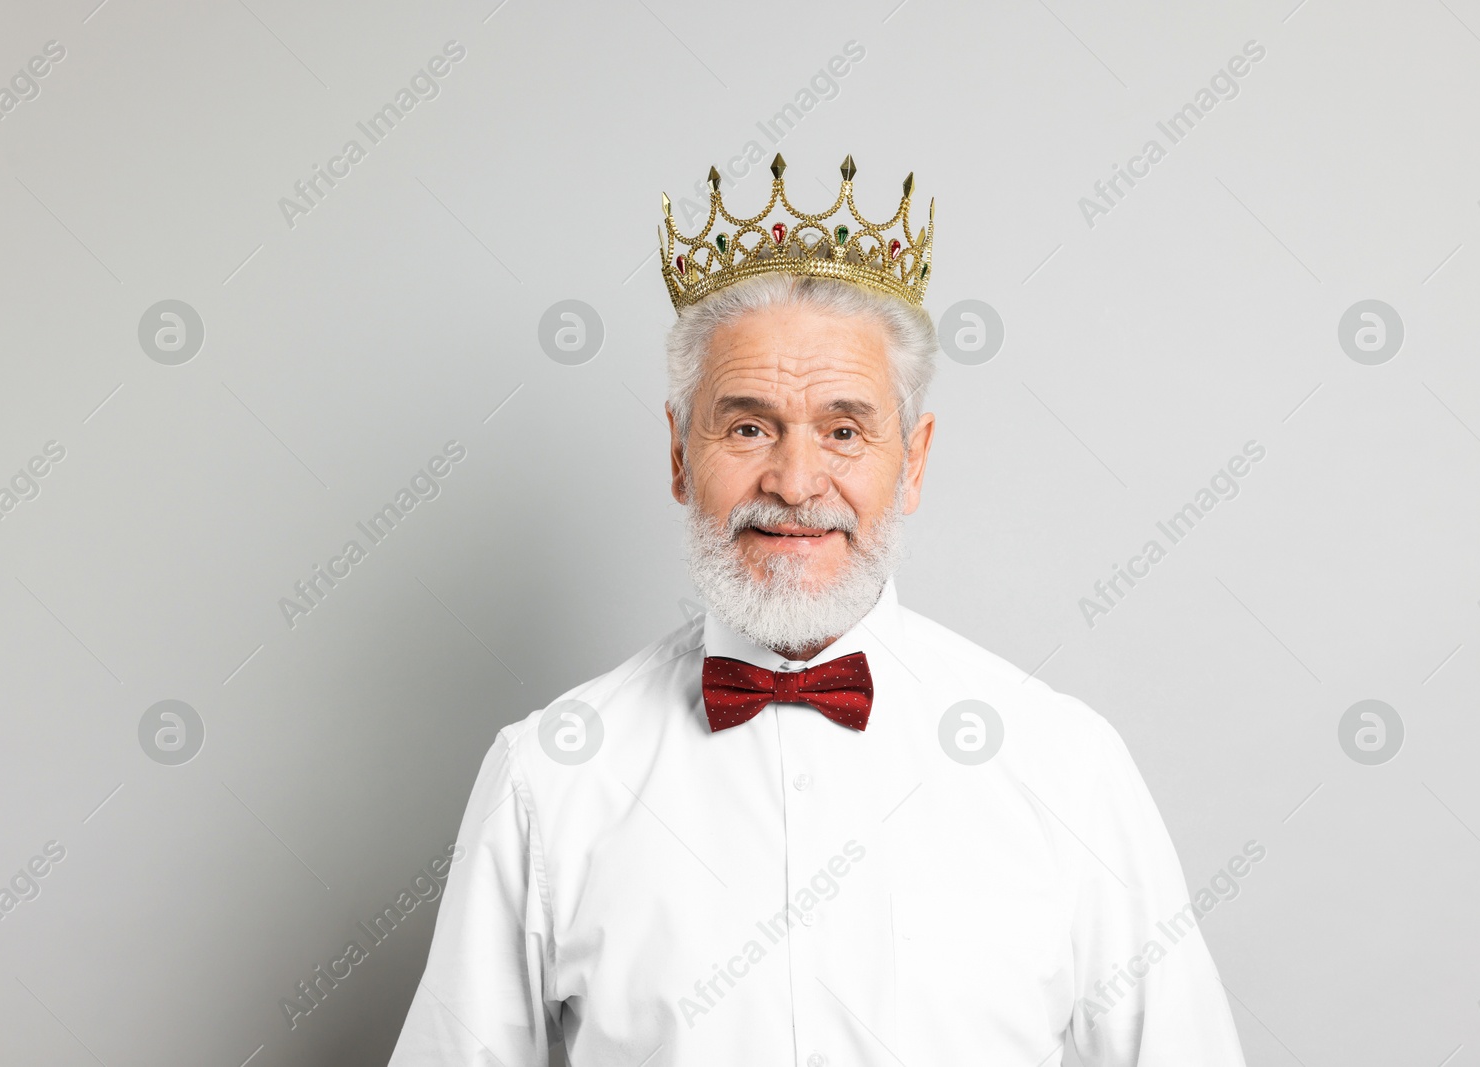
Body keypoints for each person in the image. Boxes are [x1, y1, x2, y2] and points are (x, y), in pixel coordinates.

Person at [388, 155, 1247, 1066]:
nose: (796, 484)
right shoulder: (550, 778)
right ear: (679, 455)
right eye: (749, 426)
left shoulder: (1066, 768)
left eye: (844, 430)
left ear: (911, 461)